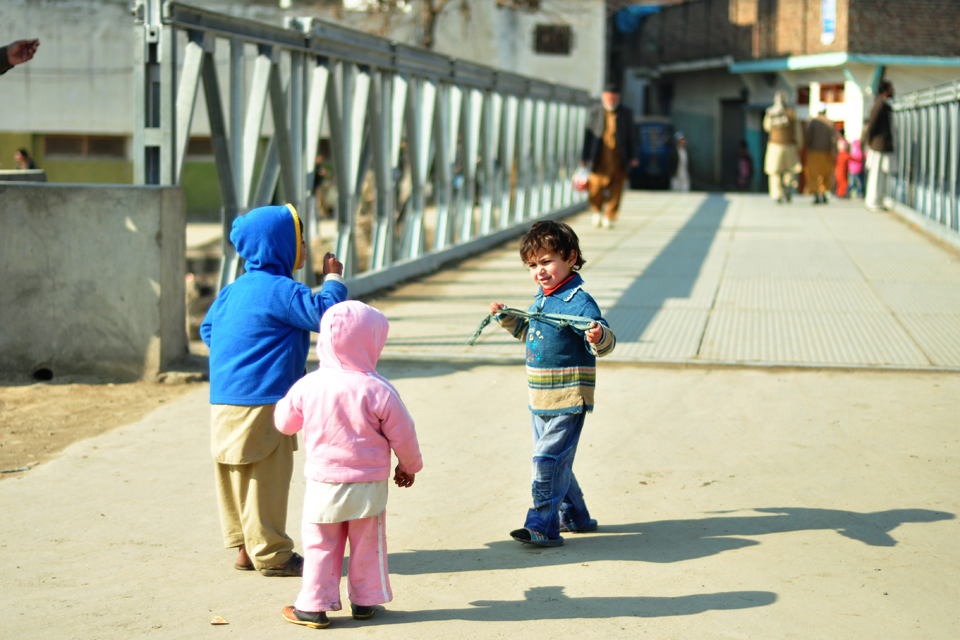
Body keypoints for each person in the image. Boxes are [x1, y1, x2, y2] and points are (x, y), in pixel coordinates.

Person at [200, 204, 348, 578]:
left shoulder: (231, 292)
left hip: (224, 399)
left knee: (234, 473)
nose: (303, 244)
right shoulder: (282, 290)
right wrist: (332, 280)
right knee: (266, 476)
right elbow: (326, 317)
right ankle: (273, 554)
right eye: (298, 237)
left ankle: (243, 549)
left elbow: (207, 331)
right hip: (265, 399)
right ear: (279, 244)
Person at [274, 301, 423, 628]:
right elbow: (404, 433)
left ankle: (313, 606)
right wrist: (408, 466)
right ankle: (366, 600)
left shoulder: (309, 385)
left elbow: (284, 423)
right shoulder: (377, 388)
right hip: (368, 485)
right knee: (368, 544)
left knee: (320, 544)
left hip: (323, 484)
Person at [489, 220, 616, 547]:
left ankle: (542, 525)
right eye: (532, 265)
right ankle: (576, 516)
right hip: (540, 397)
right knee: (557, 459)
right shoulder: (542, 301)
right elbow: (531, 337)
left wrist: (598, 336)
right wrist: (508, 319)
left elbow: (603, 342)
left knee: (546, 460)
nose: (539, 271)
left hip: (569, 397)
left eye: (546, 262)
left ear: (571, 257)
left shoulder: (579, 301)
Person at [581, 83, 638, 229]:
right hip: (598, 158)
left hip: (619, 158)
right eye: (608, 98)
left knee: (616, 189)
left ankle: (609, 216)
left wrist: (634, 156)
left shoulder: (626, 113)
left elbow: (633, 136)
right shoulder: (595, 112)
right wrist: (584, 157)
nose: (611, 101)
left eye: (614, 99)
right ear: (603, 97)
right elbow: (588, 136)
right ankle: (596, 210)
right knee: (595, 188)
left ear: (618, 98)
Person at [763, 91, 803, 204]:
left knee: (774, 172)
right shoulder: (792, 113)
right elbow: (798, 132)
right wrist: (799, 145)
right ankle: (787, 188)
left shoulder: (771, 112)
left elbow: (766, 127)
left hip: (774, 146)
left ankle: (777, 194)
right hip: (789, 146)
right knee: (790, 170)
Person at [864, 81, 896, 212]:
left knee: (880, 175)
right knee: (877, 175)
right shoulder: (880, 104)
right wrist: (869, 140)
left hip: (880, 145)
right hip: (878, 146)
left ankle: (877, 200)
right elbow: (872, 124)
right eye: (891, 88)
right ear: (885, 90)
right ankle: (872, 201)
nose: (893, 91)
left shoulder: (882, 104)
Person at [804, 108, 837, 204]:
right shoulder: (830, 122)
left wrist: (807, 145)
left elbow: (808, 136)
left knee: (813, 173)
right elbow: (834, 139)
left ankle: (814, 193)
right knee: (826, 173)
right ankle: (824, 192)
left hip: (814, 151)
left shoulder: (813, 122)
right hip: (827, 152)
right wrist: (835, 152)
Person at [849, 127, 865, 199]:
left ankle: (849, 192)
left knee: (852, 183)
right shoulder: (860, 151)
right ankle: (860, 193)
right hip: (858, 169)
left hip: (852, 169)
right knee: (859, 183)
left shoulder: (853, 150)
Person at [835, 132, 850, 198]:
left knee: (840, 182)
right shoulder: (845, 155)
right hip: (842, 171)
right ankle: (841, 193)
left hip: (839, 171)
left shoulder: (840, 155)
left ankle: (840, 193)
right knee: (843, 183)